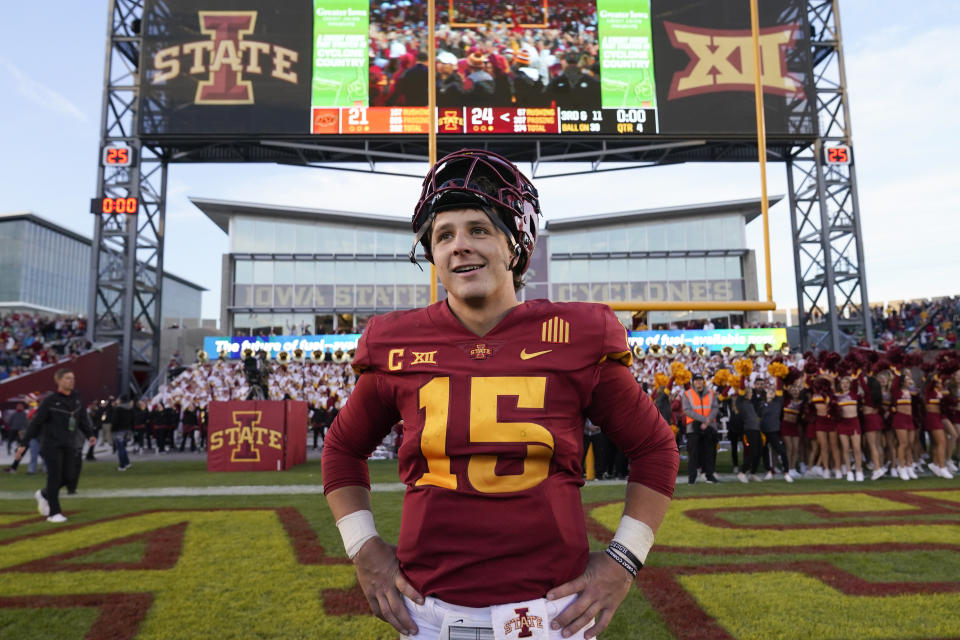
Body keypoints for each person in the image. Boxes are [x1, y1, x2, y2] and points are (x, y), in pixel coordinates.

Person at [322, 149, 679, 640]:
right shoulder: (396, 342)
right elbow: (342, 447)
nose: (459, 246)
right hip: (427, 611)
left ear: (515, 246)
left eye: (479, 230)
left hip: (550, 612)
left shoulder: (575, 333)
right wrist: (363, 548)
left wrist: (624, 559)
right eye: (444, 235)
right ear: (431, 253)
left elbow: (654, 447)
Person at [17, 368, 96, 523]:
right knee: (54, 476)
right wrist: (23, 444)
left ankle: (45, 494)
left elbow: (81, 419)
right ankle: (54, 513)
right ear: (58, 381)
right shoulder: (50, 400)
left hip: (69, 443)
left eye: (72, 378)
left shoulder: (77, 397)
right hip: (51, 444)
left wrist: (90, 434)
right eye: (67, 378)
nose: (71, 381)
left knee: (70, 477)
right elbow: (36, 423)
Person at [682, 374, 719, 484]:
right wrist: (704, 420)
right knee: (693, 453)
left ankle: (709, 475)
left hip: (709, 426)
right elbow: (687, 410)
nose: (698, 382)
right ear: (693, 382)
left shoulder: (712, 393)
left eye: (700, 380)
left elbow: (715, 408)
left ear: (703, 381)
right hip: (693, 426)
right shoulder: (687, 394)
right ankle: (692, 478)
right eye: (696, 380)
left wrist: (708, 421)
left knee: (710, 452)